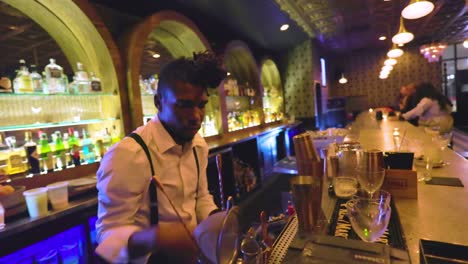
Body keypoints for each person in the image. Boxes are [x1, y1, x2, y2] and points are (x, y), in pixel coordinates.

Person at [95, 52, 226, 263]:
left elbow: (200, 198)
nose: (195, 116)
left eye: (201, 105)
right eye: (183, 105)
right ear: (158, 102)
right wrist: (155, 237)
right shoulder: (128, 155)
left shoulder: (198, 145)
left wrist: (216, 220)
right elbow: (107, 236)